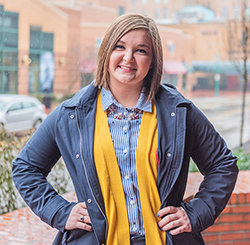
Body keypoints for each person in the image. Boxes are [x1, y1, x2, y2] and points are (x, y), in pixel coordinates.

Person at [12, 13, 238, 245]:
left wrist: (196, 213)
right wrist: (59, 211)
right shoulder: (72, 113)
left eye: (141, 50)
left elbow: (223, 165)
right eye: (119, 47)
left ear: (152, 61)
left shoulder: (179, 111)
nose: (128, 58)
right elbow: (26, 168)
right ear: (106, 52)